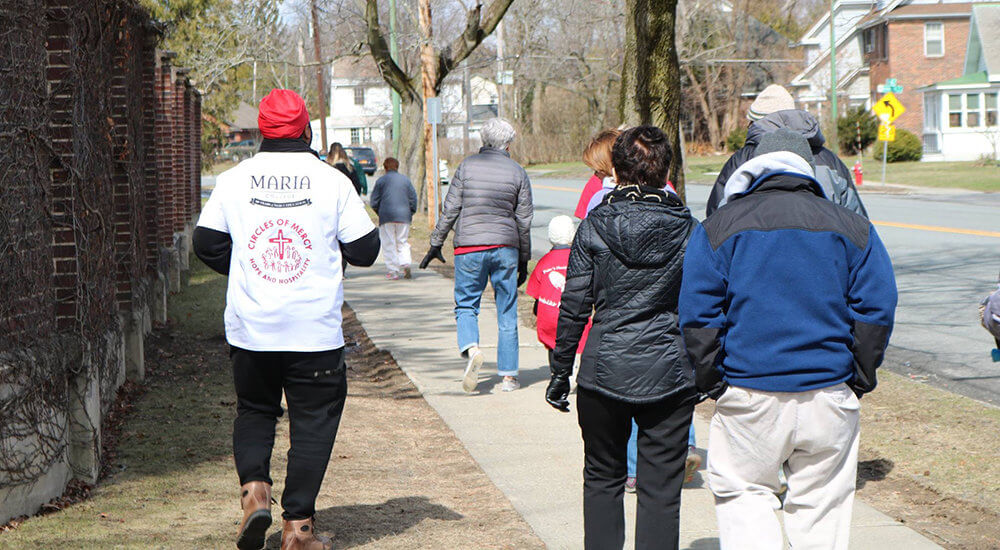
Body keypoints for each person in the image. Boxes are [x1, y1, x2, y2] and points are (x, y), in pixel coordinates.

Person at [679, 129, 897, 550]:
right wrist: (859, 376)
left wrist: (713, 381)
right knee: (821, 507)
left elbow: (698, 316)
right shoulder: (853, 227)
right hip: (828, 390)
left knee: (744, 496)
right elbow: (877, 310)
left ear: (754, 168)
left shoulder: (718, 228)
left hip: (748, 390)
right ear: (808, 170)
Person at [193, 89, 380, 550]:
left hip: (252, 326)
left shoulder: (235, 179)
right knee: (314, 420)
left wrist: (249, 267)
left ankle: (255, 491)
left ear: (261, 129)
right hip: (313, 329)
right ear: (305, 129)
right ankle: (298, 529)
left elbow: (206, 243)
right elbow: (366, 249)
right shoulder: (332, 181)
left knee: (255, 410)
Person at [546, 125, 697, 550]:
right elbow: (706, 307)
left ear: (617, 169)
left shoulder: (595, 225)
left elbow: (574, 306)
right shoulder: (689, 229)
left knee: (601, 479)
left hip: (604, 368)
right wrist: (705, 369)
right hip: (668, 370)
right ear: (665, 168)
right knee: (661, 491)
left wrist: (561, 371)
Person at [419, 118, 533, 393]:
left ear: (484, 140)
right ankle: (509, 377)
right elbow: (524, 221)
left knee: (466, 305)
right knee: (506, 310)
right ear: (508, 144)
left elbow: (451, 209)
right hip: (505, 247)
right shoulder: (518, 172)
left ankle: (472, 349)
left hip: (469, 247)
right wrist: (524, 259)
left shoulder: (467, 166)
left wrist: (436, 243)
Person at [705, 84, 866, 218]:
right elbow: (858, 223)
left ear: (754, 123)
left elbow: (716, 220)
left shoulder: (742, 161)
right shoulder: (830, 161)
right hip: (825, 254)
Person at [527, 215, 590, 362]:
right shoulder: (580, 260)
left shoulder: (544, 261)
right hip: (573, 316)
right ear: (573, 235)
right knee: (578, 337)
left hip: (549, 318)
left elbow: (535, 295)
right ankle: (573, 368)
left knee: (553, 344)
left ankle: (557, 373)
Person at [369, 157, 417, 280]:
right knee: (402, 241)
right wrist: (410, 212)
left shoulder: (381, 181)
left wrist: (378, 212)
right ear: (397, 166)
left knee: (388, 242)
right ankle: (405, 262)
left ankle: (393, 271)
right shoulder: (406, 180)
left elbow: (374, 201)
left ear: (385, 168)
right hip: (404, 215)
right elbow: (413, 198)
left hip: (387, 215)